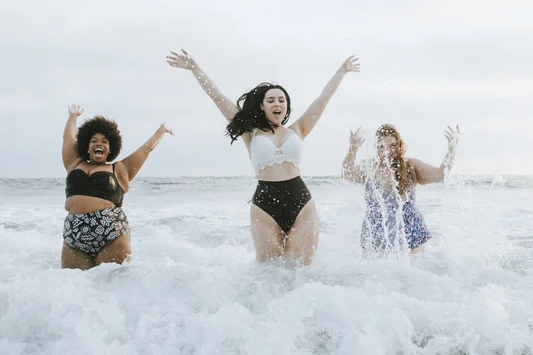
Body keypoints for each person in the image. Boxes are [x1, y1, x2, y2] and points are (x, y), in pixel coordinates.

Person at [166, 49, 360, 265]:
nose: (277, 104)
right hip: (265, 206)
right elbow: (217, 97)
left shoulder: (298, 129)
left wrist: (341, 72)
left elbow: (322, 100)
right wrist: (195, 68)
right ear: (262, 105)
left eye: (281, 100)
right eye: (271, 100)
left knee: (303, 272)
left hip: (301, 203)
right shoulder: (251, 133)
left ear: (286, 106)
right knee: (269, 274)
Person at [61, 104, 173, 269]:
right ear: (87, 146)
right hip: (75, 234)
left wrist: (161, 132)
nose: (99, 144)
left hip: (111, 234)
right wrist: (73, 117)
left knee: (114, 285)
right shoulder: (74, 162)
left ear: (110, 147)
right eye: (94, 141)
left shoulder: (120, 169)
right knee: (72, 287)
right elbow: (68, 138)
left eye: (104, 142)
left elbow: (146, 150)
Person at [342, 123, 460, 255]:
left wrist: (452, 149)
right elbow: (347, 173)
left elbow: (441, 174)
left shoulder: (410, 166)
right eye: (382, 146)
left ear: (399, 145)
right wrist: (353, 148)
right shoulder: (370, 167)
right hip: (375, 229)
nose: (388, 151)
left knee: (412, 272)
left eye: (392, 145)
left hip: (409, 228)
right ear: (377, 148)